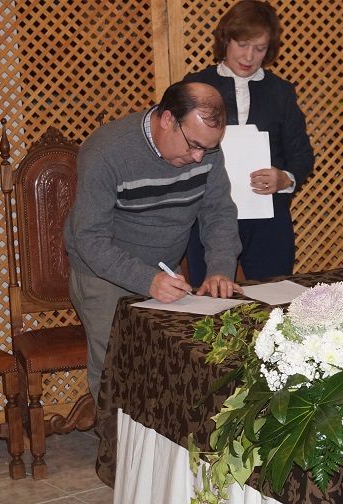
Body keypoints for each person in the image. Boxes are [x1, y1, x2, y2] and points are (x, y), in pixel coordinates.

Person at [64, 81, 244, 400]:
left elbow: (219, 213)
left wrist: (220, 269)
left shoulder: (206, 151)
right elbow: (89, 239)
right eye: (193, 145)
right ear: (168, 119)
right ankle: (114, 435)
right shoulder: (107, 151)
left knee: (173, 365)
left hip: (165, 269)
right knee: (118, 371)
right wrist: (147, 280)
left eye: (208, 148)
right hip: (104, 274)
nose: (199, 156)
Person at [183, 0, 315, 285]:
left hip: (267, 217)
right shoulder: (195, 86)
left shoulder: (281, 91)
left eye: (260, 48)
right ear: (225, 40)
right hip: (208, 216)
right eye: (242, 45)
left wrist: (285, 178)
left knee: (274, 296)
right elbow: (176, 146)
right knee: (209, 301)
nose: (249, 56)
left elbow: (302, 155)